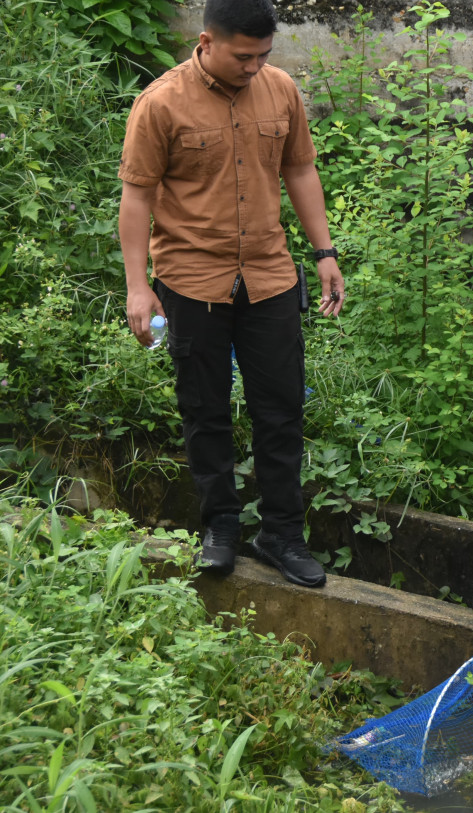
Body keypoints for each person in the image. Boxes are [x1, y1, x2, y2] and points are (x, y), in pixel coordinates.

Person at [118, 0, 344, 588]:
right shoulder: (161, 103)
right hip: (191, 280)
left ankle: (282, 534)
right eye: (244, 56)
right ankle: (220, 527)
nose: (255, 67)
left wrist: (324, 254)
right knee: (205, 407)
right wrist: (138, 287)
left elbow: (299, 170)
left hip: (270, 275)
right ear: (207, 42)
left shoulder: (280, 90)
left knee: (282, 407)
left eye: (265, 55)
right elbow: (137, 197)